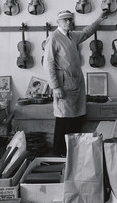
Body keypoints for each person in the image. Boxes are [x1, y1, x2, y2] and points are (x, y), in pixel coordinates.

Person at [43, 9, 110, 156]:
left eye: (70, 19)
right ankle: (59, 152)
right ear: (58, 22)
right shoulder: (53, 38)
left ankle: (72, 152)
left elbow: (86, 32)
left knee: (76, 119)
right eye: (65, 20)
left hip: (76, 84)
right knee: (63, 120)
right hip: (63, 86)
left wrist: (99, 19)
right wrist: (55, 87)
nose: (68, 22)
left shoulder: (72, 36)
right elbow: (48, 65)